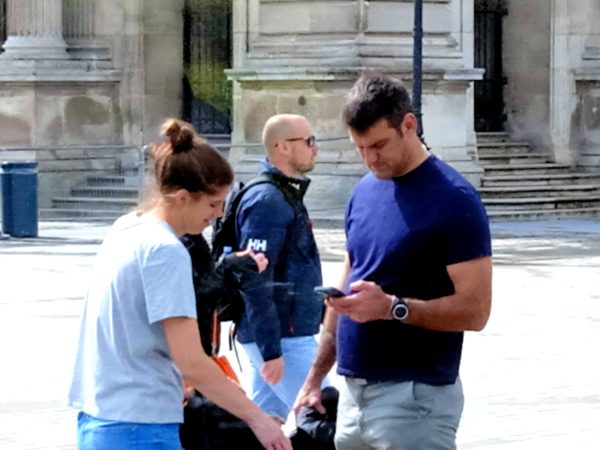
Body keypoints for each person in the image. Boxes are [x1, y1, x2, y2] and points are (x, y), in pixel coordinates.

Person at [293, 74, 493, 450]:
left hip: (416, 400)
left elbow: (476, 310)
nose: (370, 158)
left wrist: (392, 308)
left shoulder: (455, 200)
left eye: (379, 145)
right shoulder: (364, 191)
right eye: (360, 148)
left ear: (409, 125)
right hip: (352, 395)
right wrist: (314, 379)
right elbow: (346, 292)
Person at [68, 118, 292, 450]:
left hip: (101, 414)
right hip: (141, 424)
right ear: (183, 197)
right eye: (213, 204)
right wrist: (257, 418)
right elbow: (191, 360)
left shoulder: (126, 228)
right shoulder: (165, 250)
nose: (218, 214)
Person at [234, 113, 328, 423]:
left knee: (267, 425)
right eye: (309, 141)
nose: (315, 148)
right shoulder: (268, 201)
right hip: (283, 337)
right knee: (322, 418)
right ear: (283, 147)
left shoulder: (284, 194)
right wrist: (271, 350)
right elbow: (254, 277)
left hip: (281, 332)